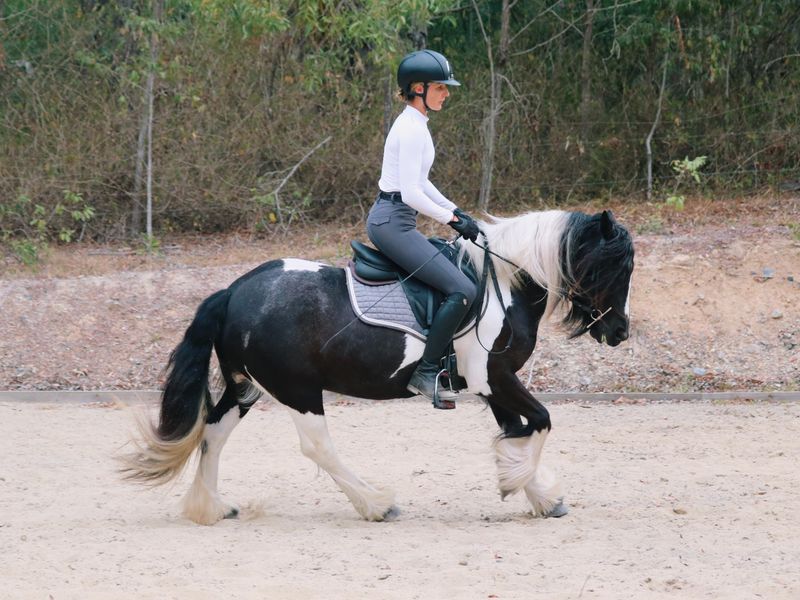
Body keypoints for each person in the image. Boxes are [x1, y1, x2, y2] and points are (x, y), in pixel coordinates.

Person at [366, 49, 480, 409]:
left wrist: (455, 211)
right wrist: (451, 219)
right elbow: (412, 193)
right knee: (462, 288)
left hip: (396, 219)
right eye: (441, 88)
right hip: (392, 224)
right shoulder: (411, 128)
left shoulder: (415, 125)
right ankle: (426, 370)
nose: (447, 93)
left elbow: (421, 183)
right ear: (418, 88)